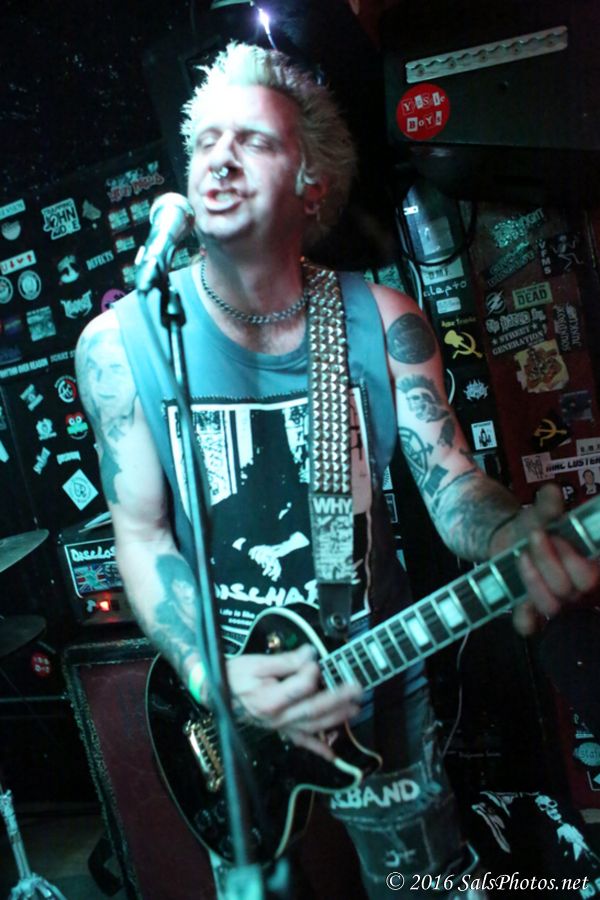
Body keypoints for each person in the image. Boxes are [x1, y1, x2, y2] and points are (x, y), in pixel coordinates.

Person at [75, 43, 598, 899]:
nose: (219, 159)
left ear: (310, 184)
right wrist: (211, 673)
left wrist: (511, 530)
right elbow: (139, 533)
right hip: (222, 709)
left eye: (253, 139)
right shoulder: (120, 345)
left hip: (376, 680)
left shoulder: (381, 323)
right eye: (205, 140)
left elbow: (452, 484)